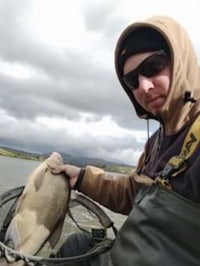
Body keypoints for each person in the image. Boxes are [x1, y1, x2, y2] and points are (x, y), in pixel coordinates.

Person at [52, 15, 200, 265]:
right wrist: (82, 177)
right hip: (126, 254)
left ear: (181, 62)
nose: (143, 86)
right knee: (76, 244)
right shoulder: (156, 142)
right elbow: (133, 193)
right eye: (132, 80)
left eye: (153, 66)